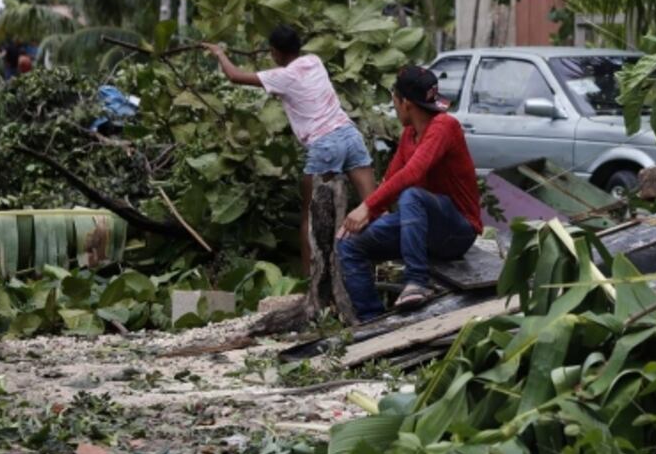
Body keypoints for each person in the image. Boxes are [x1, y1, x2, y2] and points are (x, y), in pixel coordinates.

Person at [203, 25, 377, 275]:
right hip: (351, 135)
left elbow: (234, 76)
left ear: (275, 52)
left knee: (310, 218)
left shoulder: (282, 77)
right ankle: (387, 267)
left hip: (325, 144)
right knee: (373, 206)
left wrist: (219, 53)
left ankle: (308, 284)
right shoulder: (314, 61)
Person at [337, 65, 483, 321]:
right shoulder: (409, 134)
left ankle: (416, 281)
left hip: (458, 231)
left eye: (394, 100)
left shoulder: (444, 126)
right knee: (349, 243)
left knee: (411, 196)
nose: (394, 106)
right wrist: (370, 216)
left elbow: (413, 173)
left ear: (405, 103)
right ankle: (372, 319)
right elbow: (391, 180)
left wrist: (367, 207)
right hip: (424, 227)